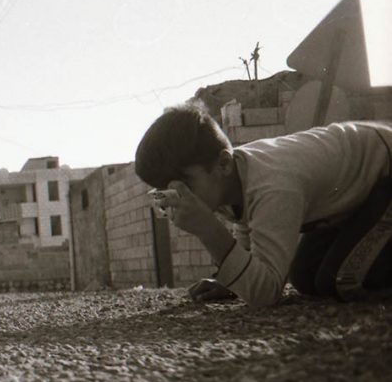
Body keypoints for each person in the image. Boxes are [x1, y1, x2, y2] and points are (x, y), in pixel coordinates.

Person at [134, 101, 391, 308]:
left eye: (184, 185)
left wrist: (208, 230)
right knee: (305, 276)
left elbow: (266, 293)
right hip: (361, 195)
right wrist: (232, 281)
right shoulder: (232, 176)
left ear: (222, 164)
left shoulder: (274, 185)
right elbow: (250, 232)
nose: (179, 196)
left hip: (386, 177)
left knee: (340, 279)